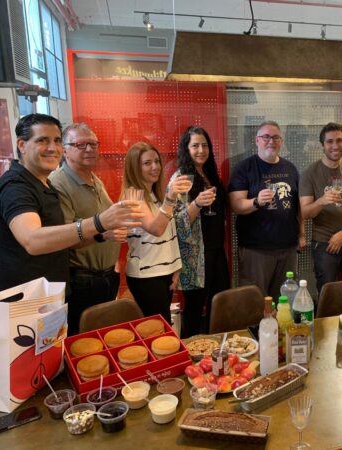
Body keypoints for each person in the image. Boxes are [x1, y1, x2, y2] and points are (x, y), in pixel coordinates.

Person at [0, 113, 141, 295]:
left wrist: (100, 235)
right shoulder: (14, 187)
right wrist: (99, 222)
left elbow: (62, 239)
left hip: (49, 293)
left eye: (57, 141)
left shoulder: (44, 184)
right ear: (22, 145)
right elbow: (32, 240)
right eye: (42, 140)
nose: (53, 148)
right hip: (23, 299)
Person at [49, 123, 126, 335]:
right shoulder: (58, 183)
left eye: (93, 144)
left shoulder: (94, 179)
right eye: (81, 145)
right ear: (64, 150)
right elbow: (63, 237)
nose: (89, 149)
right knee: (84, 341)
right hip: (82, 281)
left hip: (106, 276)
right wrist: (103, 235)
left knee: (105, 336)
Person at [228, 121, 304, 300]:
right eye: (266, 137)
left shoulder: (290, 168)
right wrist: (256, 202)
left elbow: (298, 206)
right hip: (256, 249)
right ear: (257, 140)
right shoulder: (244, 168)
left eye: (276, 137)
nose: (271, 141)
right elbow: (236, 205)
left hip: (288, 247)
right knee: (255, 301)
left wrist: (301, 235)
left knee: (285, 299)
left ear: (281, 141)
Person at [171, 127, 230, 337]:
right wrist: (197, 203)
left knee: (219, 302)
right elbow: (177, 221)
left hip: (216, 249)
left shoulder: (210, 174)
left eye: (205, 145)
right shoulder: (180, 178)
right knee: (195, 307)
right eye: (195, 145)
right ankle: (189, 348)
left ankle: (216, 345)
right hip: (195, 255)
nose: (201, 150)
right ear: (186, 149)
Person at [122, 142, 188, 324]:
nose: (155, 167)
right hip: (146, 276)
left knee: (162, 327)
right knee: (158, 329)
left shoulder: (154, 195)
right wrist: (171, 197)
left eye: (157, 161)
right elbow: (156, 229)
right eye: (147, 163)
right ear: (135, 168)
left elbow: (169, 235)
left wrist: (175, 266)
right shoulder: (133, 195)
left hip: (163, 273)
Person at [300, 122, 342, 297]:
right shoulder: (310, 173)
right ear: (322, 145)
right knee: (327, 293)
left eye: (339, 140)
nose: (335, 146)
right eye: (329, 141)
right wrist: (321, 201)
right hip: (325, 243)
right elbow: (305, 213)